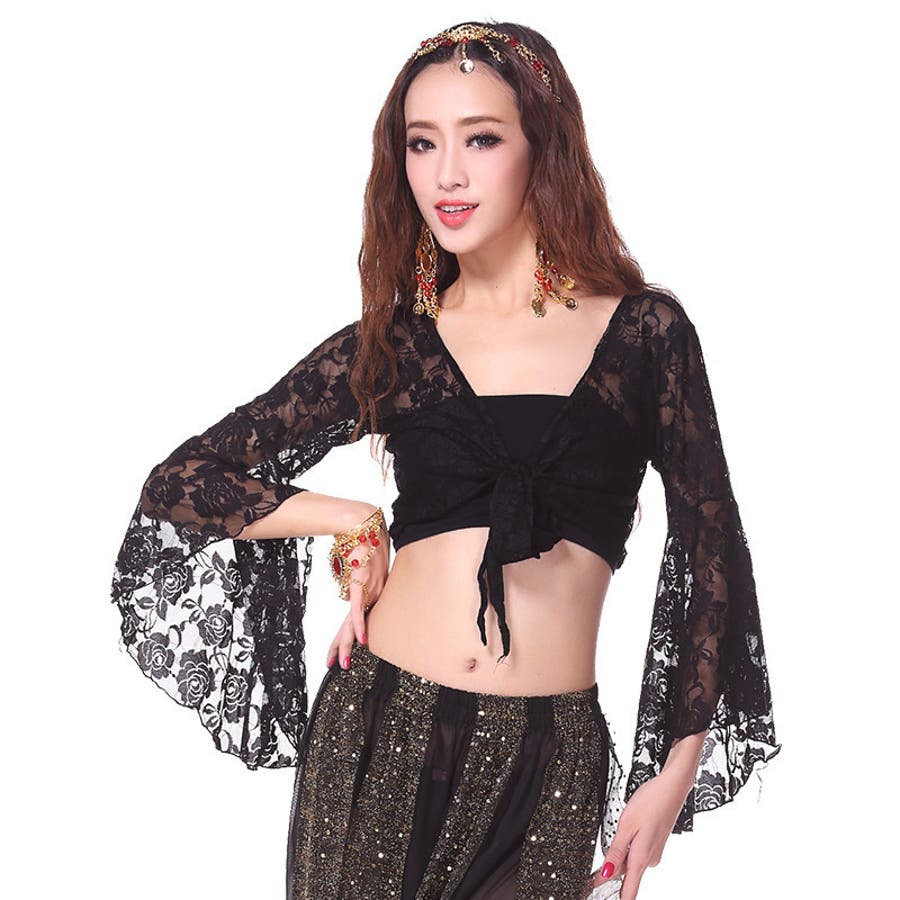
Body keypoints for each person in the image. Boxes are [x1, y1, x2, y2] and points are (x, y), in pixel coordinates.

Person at [109, 20, 781, 900]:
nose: (446, 175)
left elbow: (711, 543)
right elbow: (184, 481)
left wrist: (675, 769)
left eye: (482, 139)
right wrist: (352, 520)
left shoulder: (645, 335)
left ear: (544, 146)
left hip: (549, 757)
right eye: (422, 143)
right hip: (378, 726)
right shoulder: (400, 343)